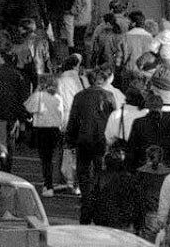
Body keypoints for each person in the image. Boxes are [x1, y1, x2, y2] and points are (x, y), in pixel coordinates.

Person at [65, 66, 117, 223]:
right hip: (102, 140)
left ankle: (87, 204)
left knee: (84, 174)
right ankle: (98, 203)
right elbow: (113, 117)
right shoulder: (108, 95)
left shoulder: (80, 96)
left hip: (84, 139)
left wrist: (70, 139)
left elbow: (73, 118)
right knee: (100, 173)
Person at [0, 49, 30, 173]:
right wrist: (23, 114)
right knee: (11, 138)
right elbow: (23, 96)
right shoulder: (18, 76)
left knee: (1, 139)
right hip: (13, 113)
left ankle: (3, 158)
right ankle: (8, 164)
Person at [24, 75, 66, 197]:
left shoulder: (39, 96)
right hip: (55, 129)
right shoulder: (58, 97)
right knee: (53, 157)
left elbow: (28, 106)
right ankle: (53, 182)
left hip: (42, 129)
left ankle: (48, 184)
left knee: (45, 160)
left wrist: (37, 90)